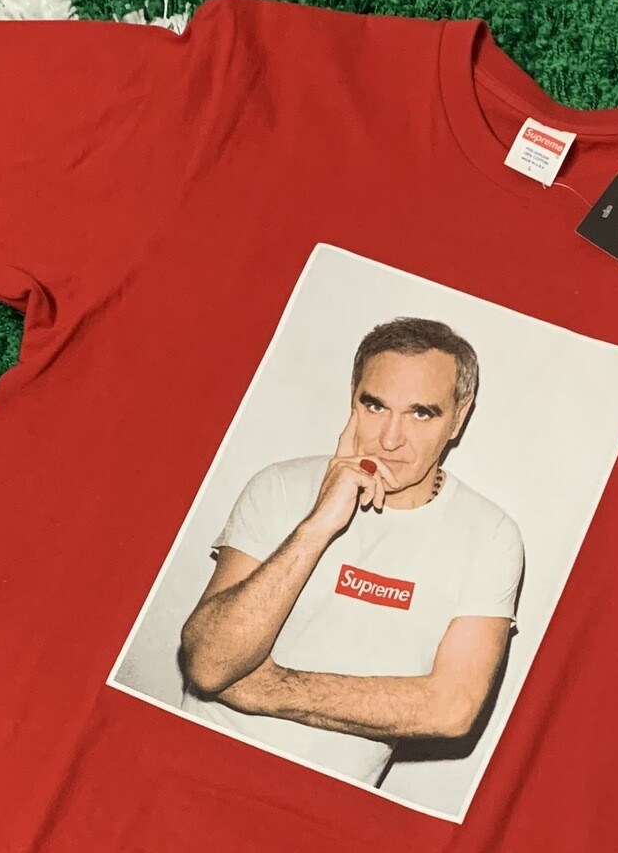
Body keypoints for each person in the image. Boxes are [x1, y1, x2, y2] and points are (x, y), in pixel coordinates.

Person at [178, 316, 526, 789]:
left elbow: (452, 709)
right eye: (375, 405)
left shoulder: (489, 535)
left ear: (458, 418)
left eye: (421, 413)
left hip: (326, 801)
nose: (390, 438)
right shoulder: (281, 485)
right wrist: (318, 525)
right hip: (194, 759)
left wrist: (266, 690)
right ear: (353, 398)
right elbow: (208, 664)